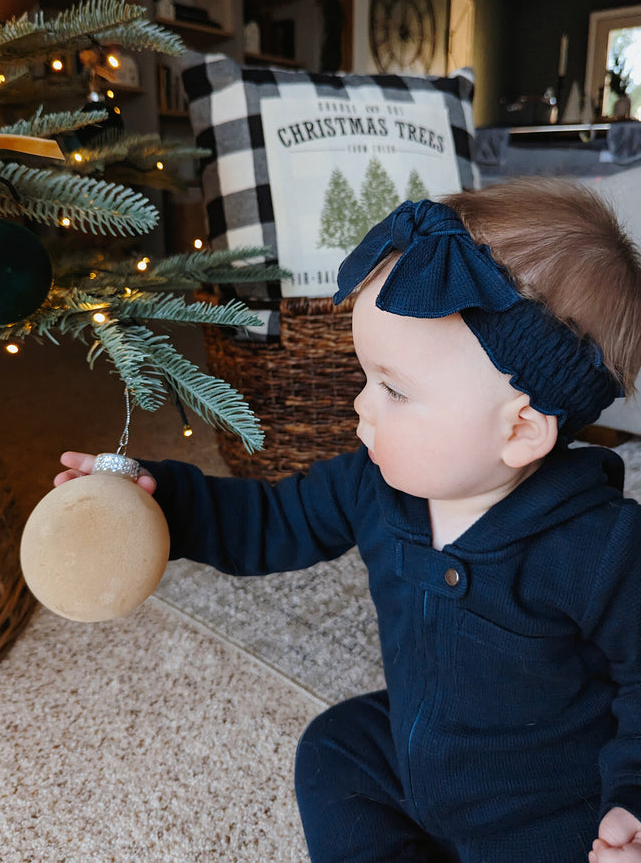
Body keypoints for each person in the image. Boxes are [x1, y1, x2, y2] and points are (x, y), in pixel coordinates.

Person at [57, 178, 641, 863]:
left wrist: (628, 799)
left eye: (393, 389)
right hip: (415, 751)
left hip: (544, 808)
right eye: (368, 377)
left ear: (521, 431)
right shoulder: (375, 483)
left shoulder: (601, 547)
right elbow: (272, 519)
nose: (361, 408)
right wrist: (165, 502)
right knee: (337, 744)